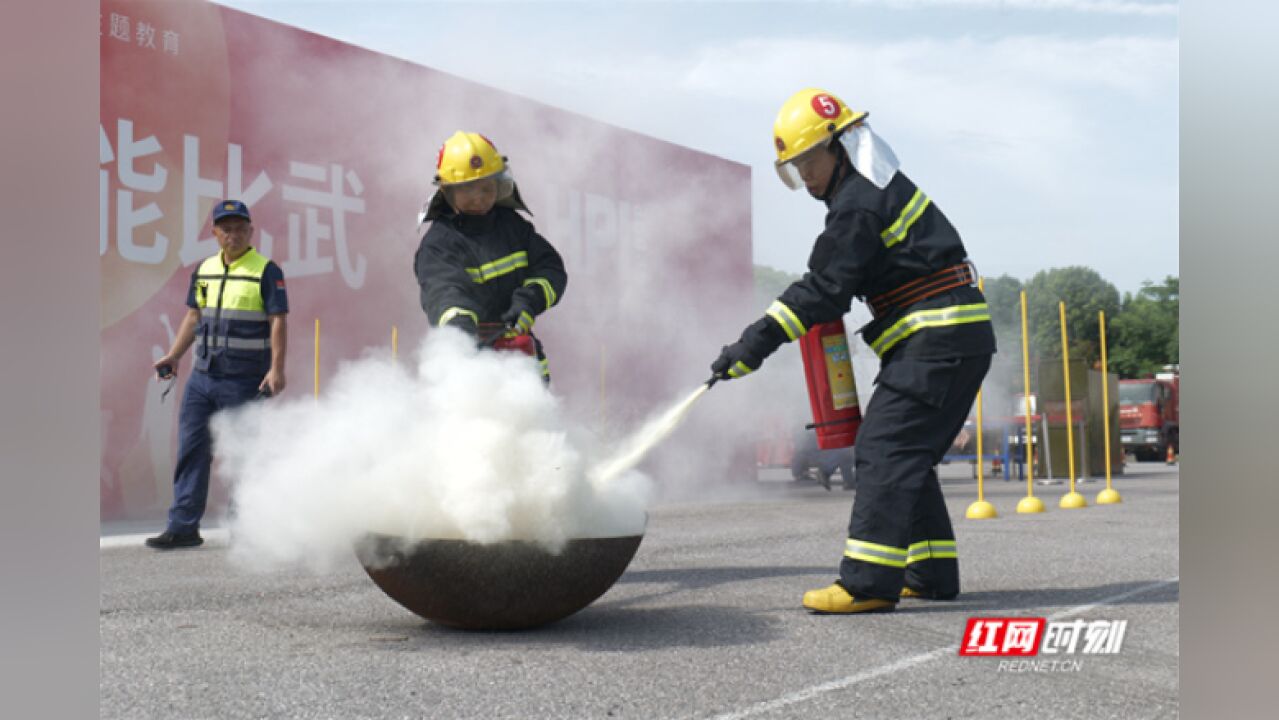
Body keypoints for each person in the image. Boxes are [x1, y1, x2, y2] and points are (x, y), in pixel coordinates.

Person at [710, 89, 995, 613]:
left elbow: (823, 289)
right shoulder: (868, 194)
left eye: (808, 164)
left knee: (883, 450)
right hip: (946, 337)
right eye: (794, 171)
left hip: (939, 337)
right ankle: (930, 573)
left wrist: (754, 344)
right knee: (904, 453)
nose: (806, 180)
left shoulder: (859, 204)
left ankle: (866, 583)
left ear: (840, 146)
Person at [146, 200, 288, 549]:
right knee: (192, 450)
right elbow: (194, 317)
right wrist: (174, 355)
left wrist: (277, 369)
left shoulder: (266, 270)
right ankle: (183, 527)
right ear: (214, 233)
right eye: (226, 229)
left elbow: (278, 321)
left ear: (251, 231)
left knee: (244, 453)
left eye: (240, 228)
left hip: (245, 379)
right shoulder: (204, 269)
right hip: (203, 377)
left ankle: (247, 528)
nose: (233, 235)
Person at [414, 131, 566, 380]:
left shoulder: (512, 226)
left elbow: (550, 268)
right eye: (468, 190)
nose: (479, 198)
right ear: (447, 191)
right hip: (470, 367)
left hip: (525, 368)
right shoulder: (438, 244)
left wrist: (528, 302)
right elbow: (444, 292)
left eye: (486, 188)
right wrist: (462, 334)